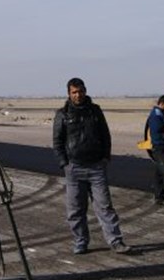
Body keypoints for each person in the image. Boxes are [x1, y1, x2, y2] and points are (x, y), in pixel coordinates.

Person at [52, 78, 130, 254]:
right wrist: (64, 163)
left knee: (105, 206)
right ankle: (80, 241)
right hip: (74, 169)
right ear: (69, 94)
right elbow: (57, 142)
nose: (78, 95)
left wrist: (105, 157)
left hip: (96, 168)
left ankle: (116, 241)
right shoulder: (63, 114)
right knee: (75, 210)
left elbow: (105, 135)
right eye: (74, 92)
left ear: (85, 91)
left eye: (80, 91)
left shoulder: (95, 111)